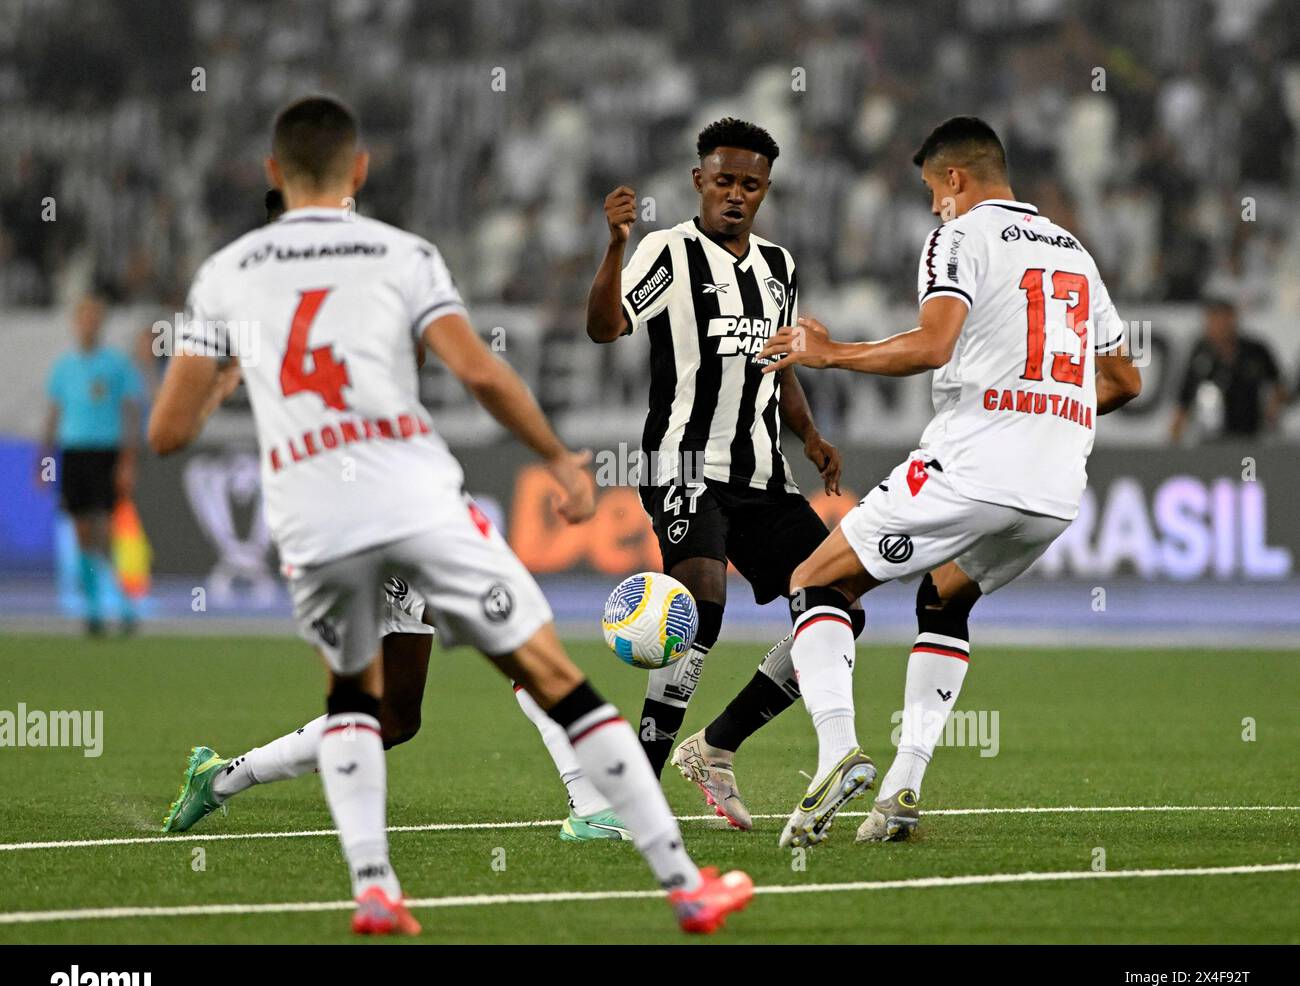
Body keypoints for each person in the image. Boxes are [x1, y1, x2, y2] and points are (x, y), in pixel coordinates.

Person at [149, 96, 752, 936]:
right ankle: (677, 878)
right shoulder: (401, 255)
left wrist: (229, 375)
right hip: (412, 498)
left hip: (316, 517)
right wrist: (556, 458)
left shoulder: (227, 276)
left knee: (377, 709)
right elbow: (481, 373)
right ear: (358, 171)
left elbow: (168, 433)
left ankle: (305, 840)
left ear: (271, 175)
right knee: (545, 672)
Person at [161, 190, 626, 845]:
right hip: (364, 506)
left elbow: (418, 361)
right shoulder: (261, 302)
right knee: (509, 624)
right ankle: (590, 800)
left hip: (381, 497)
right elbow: (173, 426)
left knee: (394, 716)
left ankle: (222, 778)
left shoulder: (351, 284)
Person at [757, 116, 1142, 847]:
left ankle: (838, 750)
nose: (934, 206)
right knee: (943, 598)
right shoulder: (1073, 250)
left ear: (956, 179)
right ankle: (903, 788)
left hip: (973, 465)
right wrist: (1047, 408)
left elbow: (934, 344)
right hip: (1055, 490)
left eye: (934, 191)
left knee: (816, 580)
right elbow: (1125, 378)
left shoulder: (961, 235)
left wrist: (830, 351)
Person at [586, 117, 860, 830]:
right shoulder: (666, 252)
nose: (736, 194)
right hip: (684, 462)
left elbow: (781, 362)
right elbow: (605, 326)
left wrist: (810, 435)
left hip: (764, 474)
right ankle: (635, 795)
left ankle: (718, 744)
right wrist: (614, 247)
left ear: (765, 190)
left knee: (839, 605)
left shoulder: (780, 266)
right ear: (699, 181)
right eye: (724, 180)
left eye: (751, 184)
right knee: (698, 607)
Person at [40, 295, 144, 636]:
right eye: (84, 318)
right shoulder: (64, 366)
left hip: (105, 452)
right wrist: (44, 459)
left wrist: (128, 461)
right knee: (82, 531)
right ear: (76, 322)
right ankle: (94, 607)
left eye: (95, 319)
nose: (89, 324)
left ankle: (127, 604)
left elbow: (131, 413)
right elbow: (54, 413)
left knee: (111, 531)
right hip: (74, 453)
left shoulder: (115, 364)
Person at [1169, 299, 1284, 442]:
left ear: (1233, 320)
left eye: (1223, 320)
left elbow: (1277, 382)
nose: (1219, 327)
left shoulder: (1256, 351)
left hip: (1250, 434)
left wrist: (1273, 408)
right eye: (1213, 321)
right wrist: (1174, 435)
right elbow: (1184, 399)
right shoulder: (1200, 355)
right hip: (1211, 438)